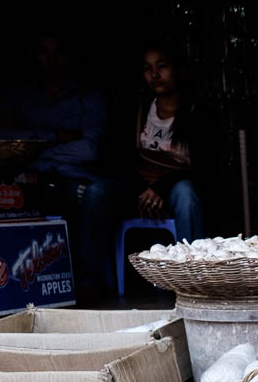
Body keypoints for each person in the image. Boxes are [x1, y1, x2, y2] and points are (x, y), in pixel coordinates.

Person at [83, 43, 211, 292]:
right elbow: (116, 161)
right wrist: (145, 190)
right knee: (96, 191)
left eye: (162, 66)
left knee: (186, 193)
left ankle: (194, 278)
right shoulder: (137, 110)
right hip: (138, 190)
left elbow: (206, 169)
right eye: (147, 68)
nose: (155, 74)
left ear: (179, 71)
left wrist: (161, 188)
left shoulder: (198, 112)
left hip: (176, 190)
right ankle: (92, 280)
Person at [0, 34, 106, 183]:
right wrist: (56, 136)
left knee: (99, 191)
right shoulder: (19, 95)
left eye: (59, 52)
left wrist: (34, 150)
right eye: (43, 52)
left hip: (73, 178)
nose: (52, 60)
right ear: (34, 55)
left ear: (69, 56)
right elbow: (0, 138)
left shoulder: (89, 98)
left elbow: (90, 150)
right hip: (25, 177)